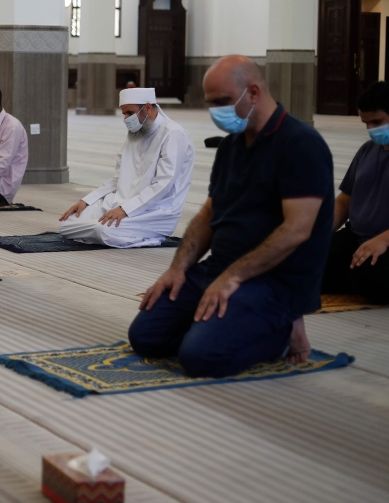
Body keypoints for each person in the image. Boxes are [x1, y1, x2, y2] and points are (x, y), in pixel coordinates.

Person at [128, 55, 334, 378]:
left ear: (253, 92)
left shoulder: (300, 144)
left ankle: (281, 331)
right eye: (210, 103)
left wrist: (234, 277)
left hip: (273, 281)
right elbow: (210, 212)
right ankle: (222, 326)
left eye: (223, 102)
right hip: (220, 269)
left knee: (199, 357)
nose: (216, 113)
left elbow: (297, 229)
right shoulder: (231, 148)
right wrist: (178, 268)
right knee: (145, 336)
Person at [59, 87, 195, 248]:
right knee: (67, 223)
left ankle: (151, 238)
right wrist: (86, 201)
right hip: (121, 203)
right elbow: (118, 179)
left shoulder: (174, 135)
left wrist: (126, 209)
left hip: (155, 212)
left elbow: (163, 185)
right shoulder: (137, 133)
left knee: (103, 230)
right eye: (124, 113)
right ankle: (108, 230)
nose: (125, 118)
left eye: (130, 113)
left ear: (148, 108)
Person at [321, 81, 389, 303]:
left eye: (377, 122)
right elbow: (344, 201)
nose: (372, 129)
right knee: (311, 263)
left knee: (368, 277)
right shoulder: (367, 150)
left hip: (386, 242)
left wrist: (384, 240)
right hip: (357, 236)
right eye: (366, 123)